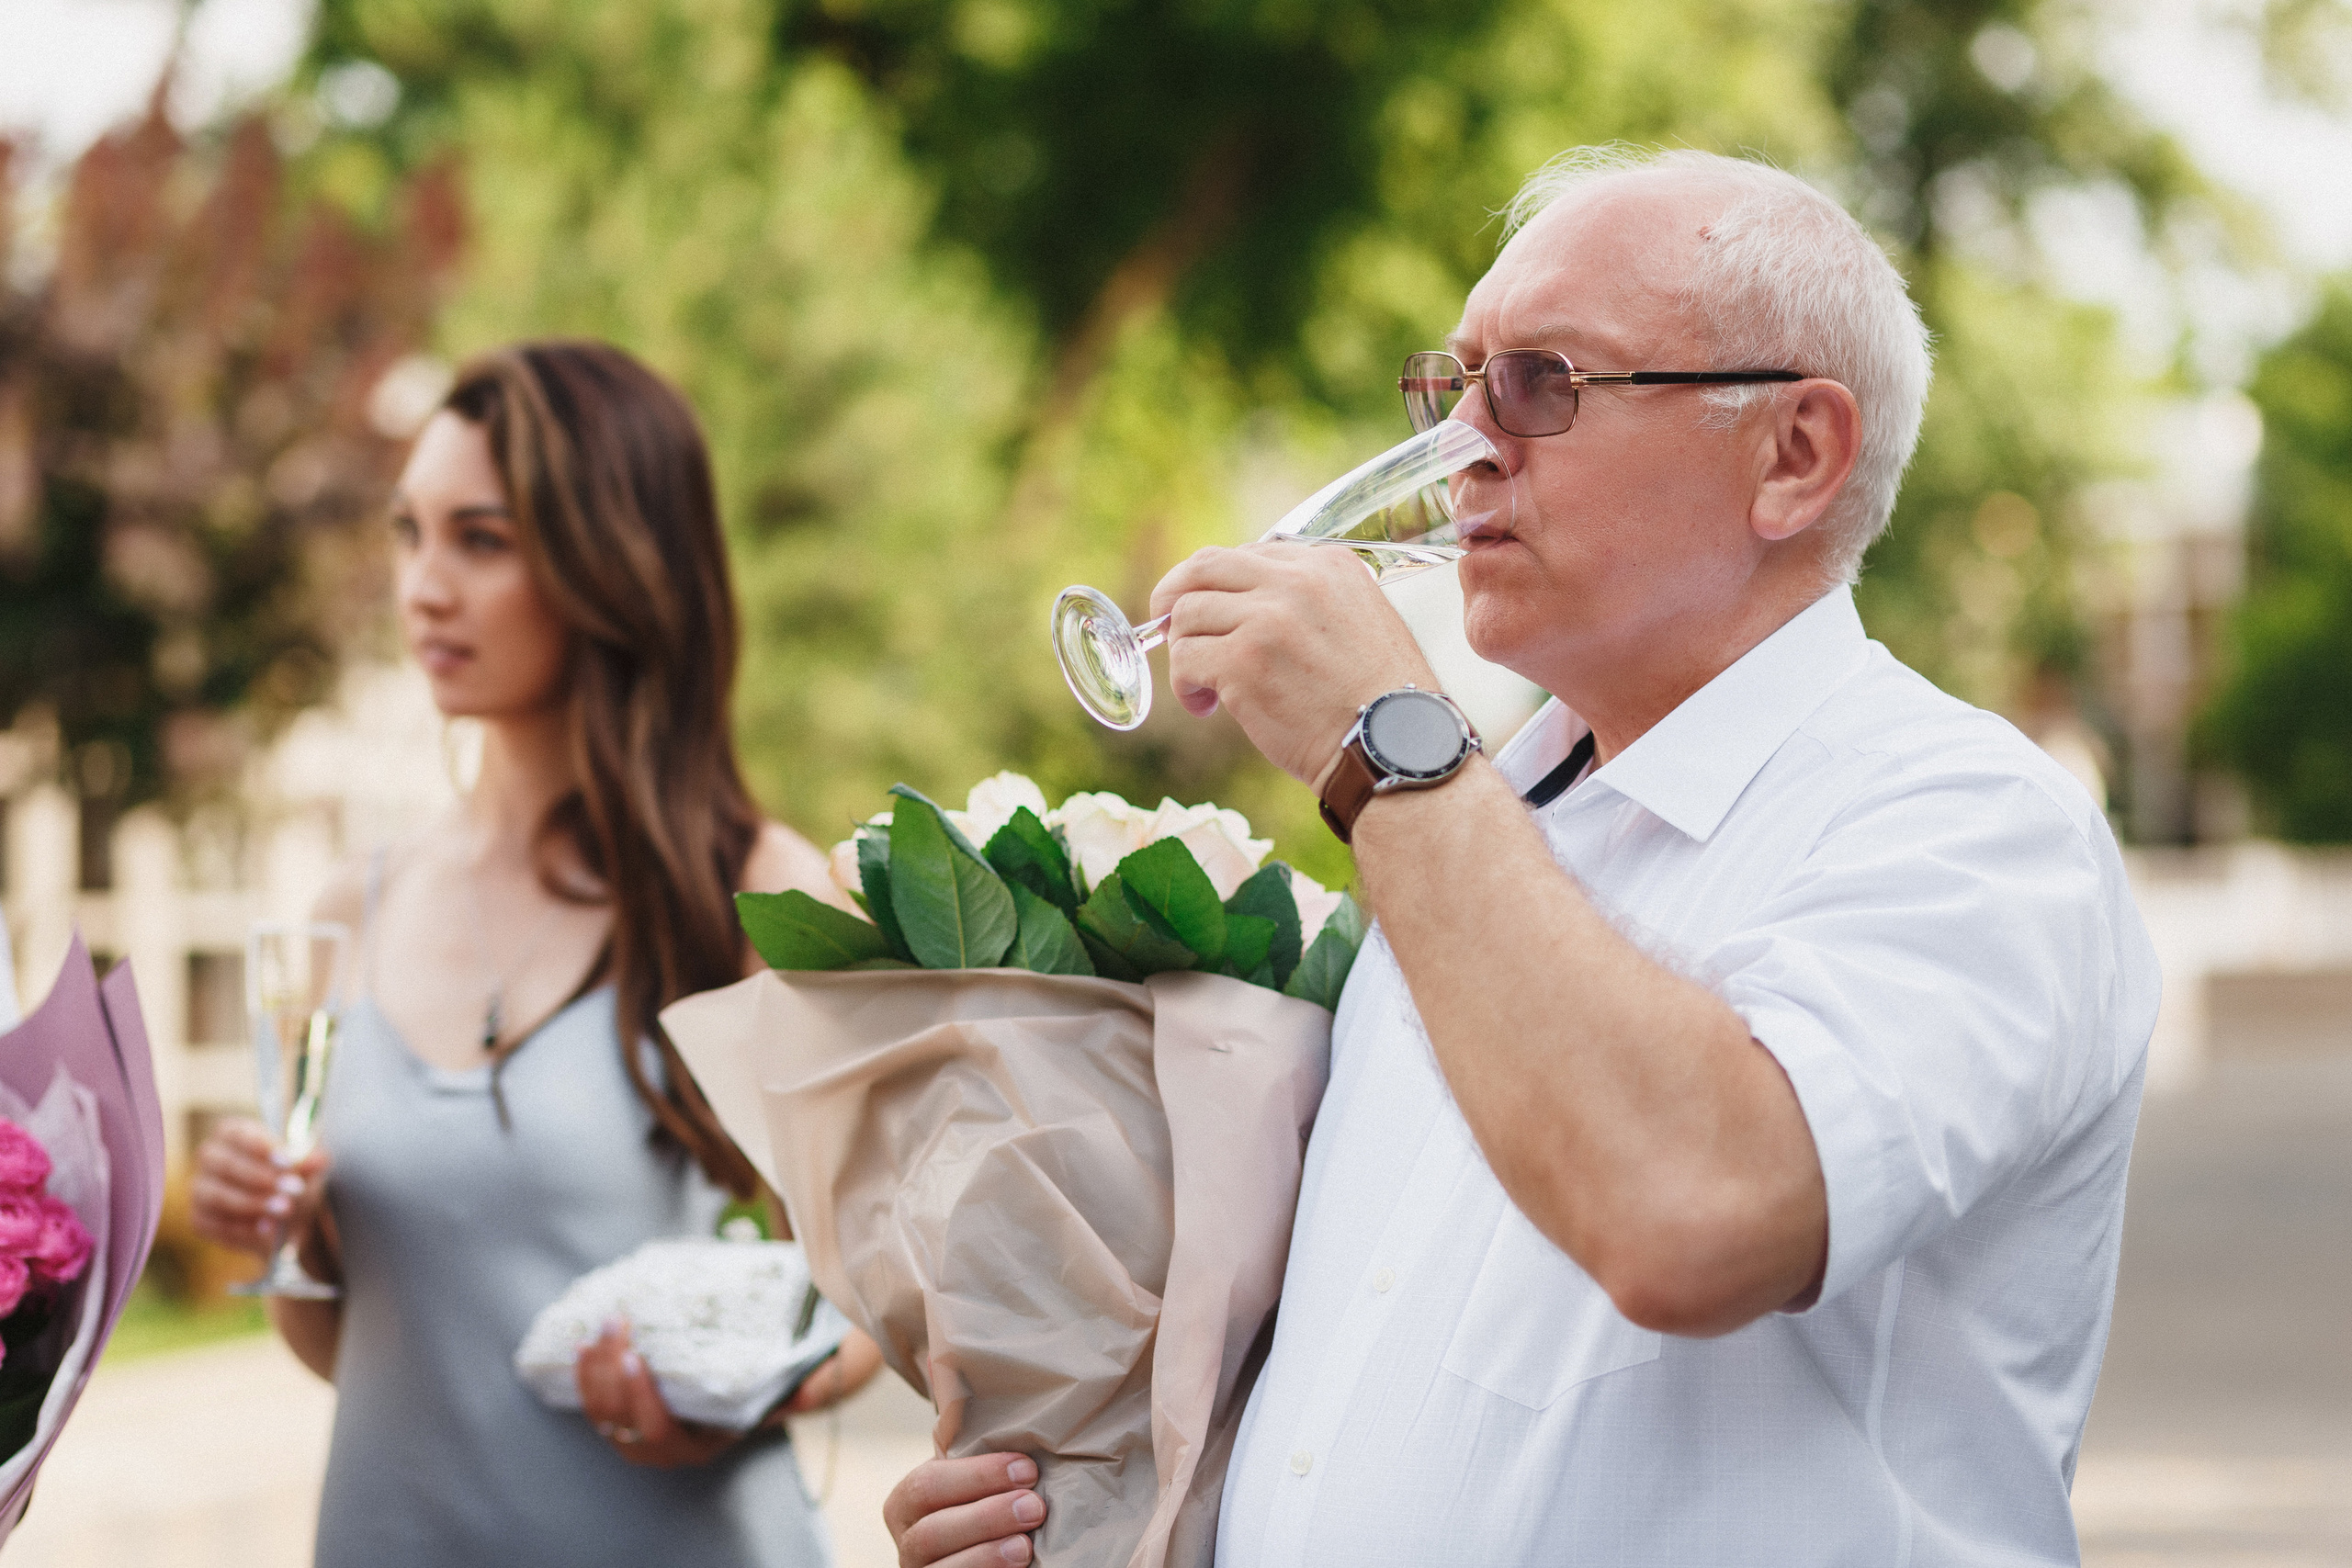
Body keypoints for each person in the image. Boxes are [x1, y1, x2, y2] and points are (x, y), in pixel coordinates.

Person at [888, 148, 2160, 1566]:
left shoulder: (1969, 820)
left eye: (1542, 384)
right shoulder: (1494, 819)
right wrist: (1095, 1502)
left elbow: (1693, 1214)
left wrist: (1384, 748)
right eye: (1454, 385)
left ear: (1794, 455)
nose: (1465, 451)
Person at [189, 340, 883, 1566]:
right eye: (409, 533)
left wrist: (746, 1394)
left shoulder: (762, 889)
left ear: (614, 562)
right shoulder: (349, 905)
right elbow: (353, 1347)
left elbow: (889, 1296)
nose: (424, 585)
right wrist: (285, 1233)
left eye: (482, 540)